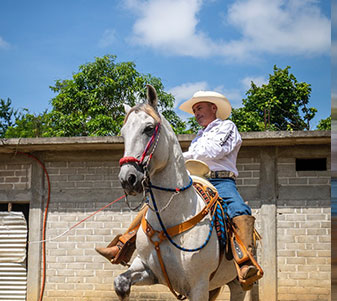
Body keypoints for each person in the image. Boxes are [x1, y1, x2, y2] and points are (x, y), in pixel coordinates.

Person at [97, 90, 262, 289]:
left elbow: (213, 151)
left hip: (222, 182)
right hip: (196, 179)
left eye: (199, 108)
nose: (196, 113)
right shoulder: (199, 135)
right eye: (194, 110)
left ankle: (246, 261)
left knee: (237, 209)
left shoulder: (227, 127)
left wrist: (179, 156)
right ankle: (123, 245)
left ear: (214, 108)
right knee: (154, 206)